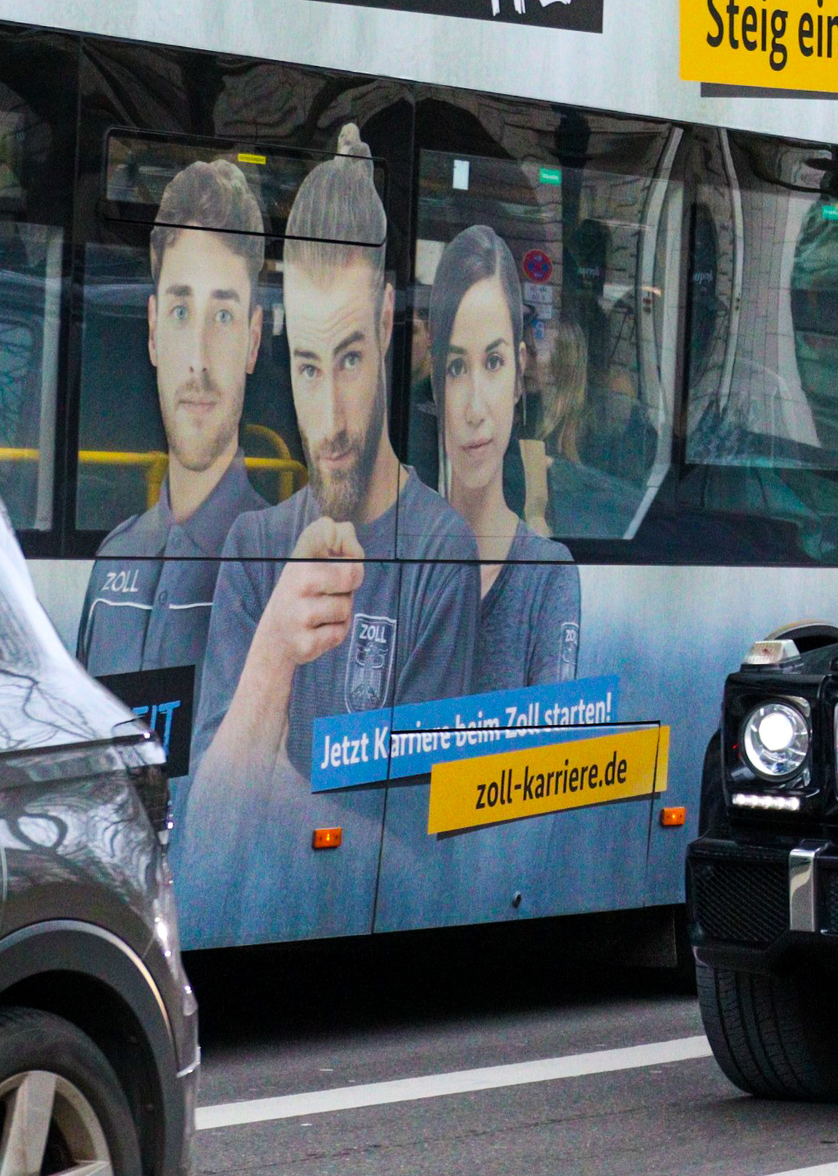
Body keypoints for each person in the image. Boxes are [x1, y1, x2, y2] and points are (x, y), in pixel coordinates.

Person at [192, 122, 480, 800]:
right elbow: (205, 827)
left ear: (385, 322)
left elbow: (414, 845)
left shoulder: (440, 551)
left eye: (349, 359)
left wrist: (258, 777)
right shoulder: (255, 545)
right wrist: (274, 652)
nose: (330, 420)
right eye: (307, 367)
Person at [78, 157, 271, 675]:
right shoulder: (114, 562)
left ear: (253, 342)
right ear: (152, 330)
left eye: (224, 316)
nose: (199, 359)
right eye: (182, 312)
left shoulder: (283, 570)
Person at [432, 224, 581, 691]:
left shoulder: (547, 578)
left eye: (493, 363)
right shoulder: (399, 561)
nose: (475, 409)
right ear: (436, 384)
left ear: (520, 374)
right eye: (456, 368)